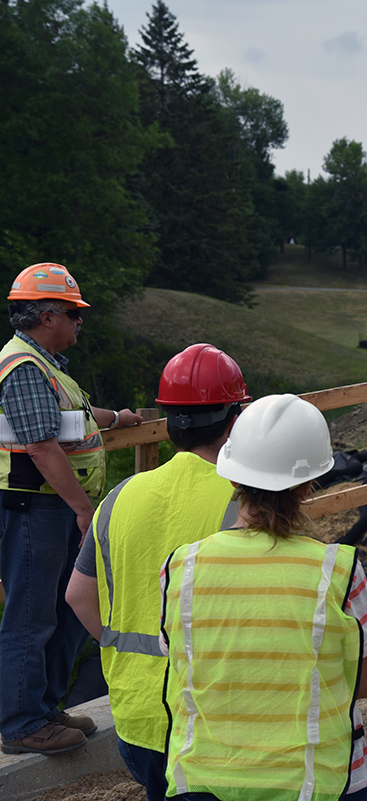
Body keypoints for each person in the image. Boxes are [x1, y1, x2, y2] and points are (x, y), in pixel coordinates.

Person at [159, 393, 367, 801]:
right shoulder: (339, 570)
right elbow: (365, 684)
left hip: (204, 781)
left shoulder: (180, 567)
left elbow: (181, 664)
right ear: (307, 486)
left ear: (232, 477)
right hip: (318, 783)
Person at [64, 344, 248, 800]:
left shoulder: (118, 498)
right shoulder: (245, 500)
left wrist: (117, 644)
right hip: (214, 718)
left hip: (136, 722)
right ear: (234, 420)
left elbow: (77, 596)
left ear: (168, 423)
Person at [0, 263, 142, 756]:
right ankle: (21, 723)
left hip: (49, 508)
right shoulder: (23, 368)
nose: (79, 322)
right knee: (31, 615)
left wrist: (117, 418)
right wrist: (85, 511)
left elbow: (71, 420)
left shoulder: (46, 366)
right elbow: (41, 447)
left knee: (63, 609)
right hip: (35, 509)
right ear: (44, 316)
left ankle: (44, 709)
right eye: (72, 313)